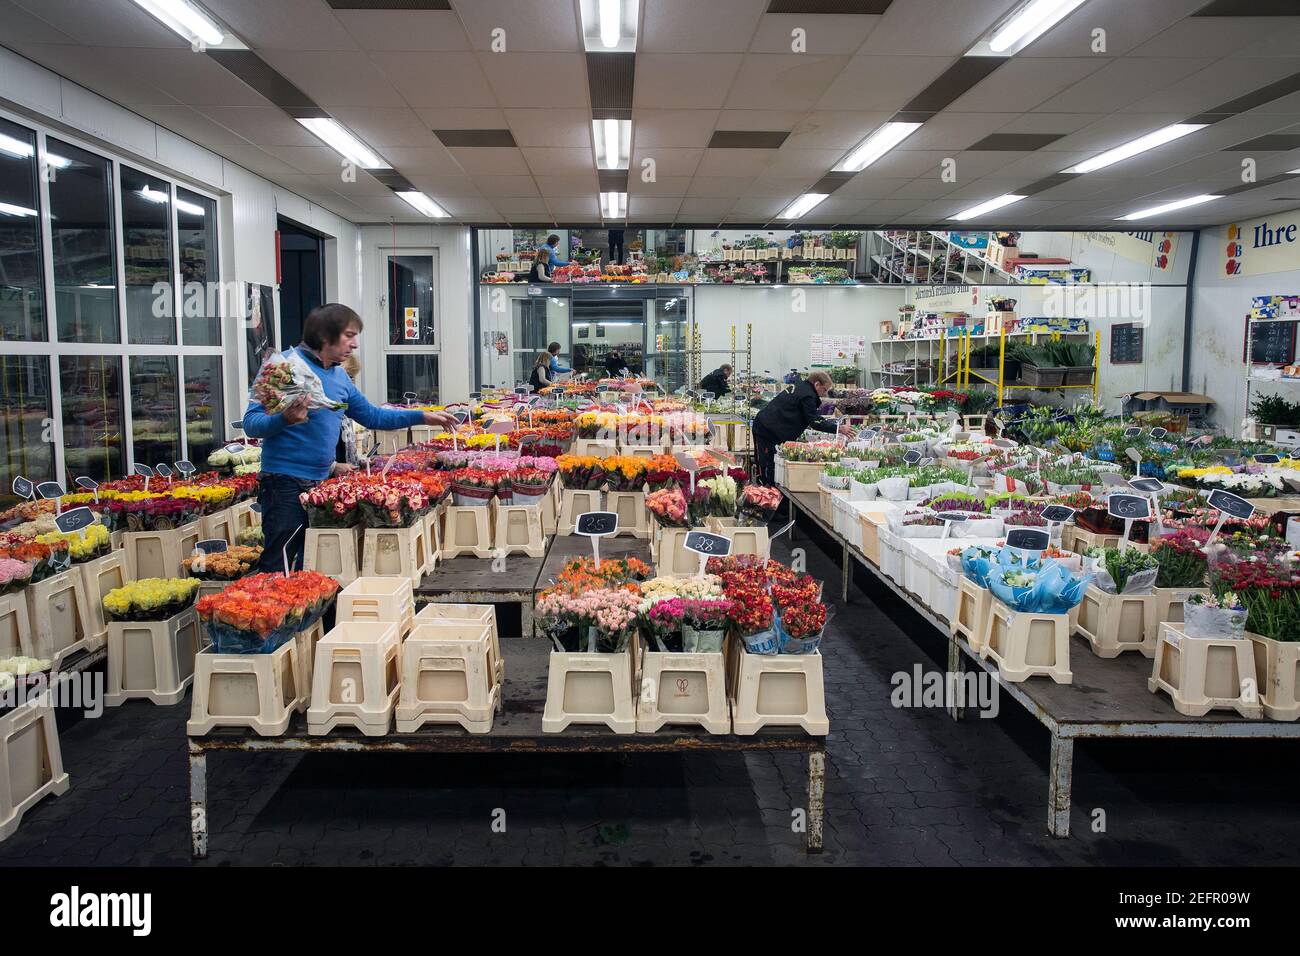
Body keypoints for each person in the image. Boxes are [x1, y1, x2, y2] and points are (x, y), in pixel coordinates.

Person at [244, 303, 457, 575]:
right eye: (348, 335)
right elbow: (252, 424)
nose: (355, 344)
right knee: (281, 561)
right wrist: (283, 419)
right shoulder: (285, 368)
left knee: (315, 562)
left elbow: (372, 417)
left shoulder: (339, 376)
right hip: (284, 483)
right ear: (324, 336)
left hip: (323, 483)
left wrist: (423, 417)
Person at [752, 370, 854, 486]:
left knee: (772, 464)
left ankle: (771, 493)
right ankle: (763, 493)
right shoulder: (808, 395)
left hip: (772, 429)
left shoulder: (801, 387)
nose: (825, 393)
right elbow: (815, 422)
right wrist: (839, 428)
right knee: (765, 464)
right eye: (824, 389)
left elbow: (807, 416)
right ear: (817, 384)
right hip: (766, 430)